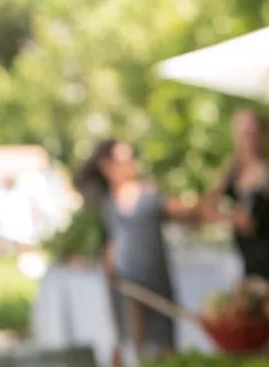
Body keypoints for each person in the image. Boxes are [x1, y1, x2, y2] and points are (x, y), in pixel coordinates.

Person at [76, 139, 198, 354]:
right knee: (129, 342)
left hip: (154, 278)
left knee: (162, 341)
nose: (130, 164)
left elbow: (182, 211)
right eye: (123, 159)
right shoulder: (103, 200)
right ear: (107, 164)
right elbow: (106, 238)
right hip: (125, 283)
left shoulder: (149, 193)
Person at [208, 110, 269, 285]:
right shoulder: (233, 170)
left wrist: (225, 214)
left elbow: (248, 222)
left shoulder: (266, 173)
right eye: (244, 133)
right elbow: (208, 204)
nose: (248, 139)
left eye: (252, 133)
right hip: (235, 258)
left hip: (261, 262)